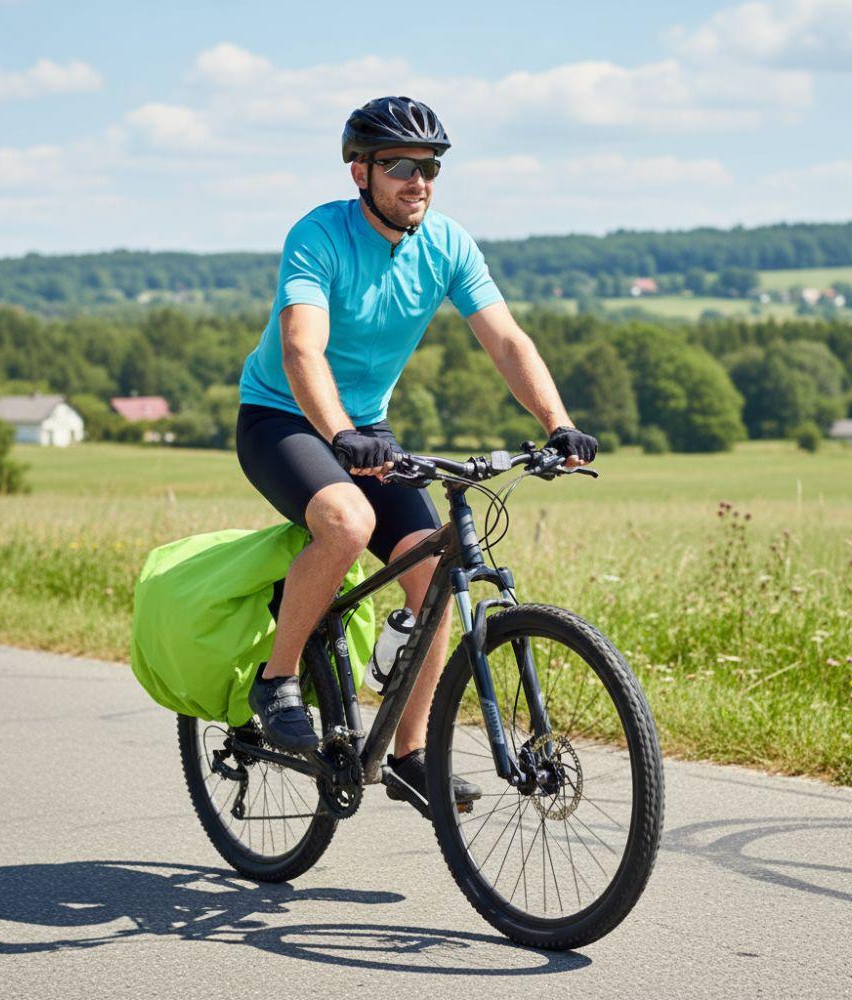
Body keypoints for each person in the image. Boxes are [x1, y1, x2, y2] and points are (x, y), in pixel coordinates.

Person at [235, 95, 598, 812]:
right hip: (284, 419)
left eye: (430, 166)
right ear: (360, 172)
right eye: (399, 165)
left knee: (433, 571)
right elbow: (302, 346)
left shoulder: (449, 245)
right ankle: (277, 681)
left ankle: (406, 754)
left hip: (366, 428)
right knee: (344, 523)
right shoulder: (319, 235)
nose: (418, 181)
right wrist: (340, 433)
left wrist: (558, 422)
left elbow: (506, 341)